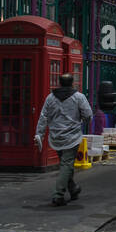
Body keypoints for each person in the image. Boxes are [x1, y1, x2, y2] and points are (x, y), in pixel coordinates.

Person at [34, 72, 93, 207]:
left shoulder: (50, 97)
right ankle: (58, 194)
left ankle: (73, 189)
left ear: (59, 83)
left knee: (66, 164)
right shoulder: (79, 97)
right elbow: (88, 115)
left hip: (56, 137)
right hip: (72, 137)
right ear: (72, 82)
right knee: (66, 165)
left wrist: (39, 134)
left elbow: (43, 116)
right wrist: (84, 120)